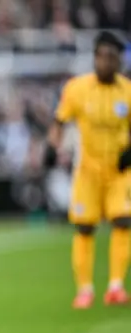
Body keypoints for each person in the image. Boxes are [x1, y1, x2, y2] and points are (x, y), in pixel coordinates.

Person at [47, 31, 131, 309]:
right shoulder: (77, 89)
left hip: (120, 170)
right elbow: (60, 121)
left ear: (120, 61)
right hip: (88, 171)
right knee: (84, 227)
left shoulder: (128, 91)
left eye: (114, 58)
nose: (108, 63)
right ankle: (84, 289)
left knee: (123, 220)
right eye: (104, 57)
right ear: (95, 58)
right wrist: (50, 147)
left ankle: (116, 285)